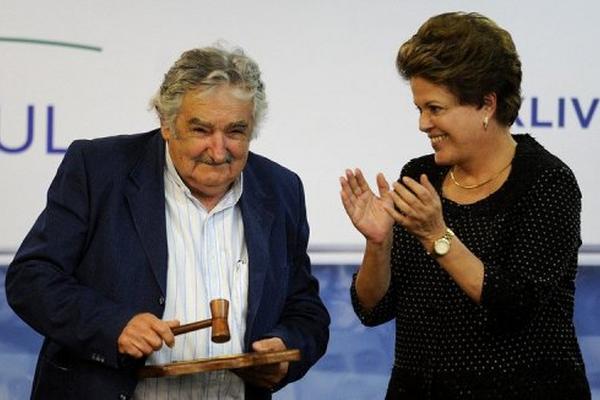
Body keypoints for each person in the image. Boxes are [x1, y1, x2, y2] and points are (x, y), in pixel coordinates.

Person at [6, 45, 329, 400]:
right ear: (166, 122)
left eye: (235, 132)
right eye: (201, 130)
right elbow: (32, 278)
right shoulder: (98, 170)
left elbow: (305, 309)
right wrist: (114, 326)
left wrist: (284, 349)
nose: (219, 150)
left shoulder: (281, 189)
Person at [340, 12, 590, 399]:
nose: (423, 124)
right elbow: (372, 309)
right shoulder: (421, 175)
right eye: (419, 109)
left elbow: (517, 308)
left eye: (435, 109)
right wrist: (378, 243)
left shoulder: (546, 181)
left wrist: (438, 236)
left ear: (486, 103)